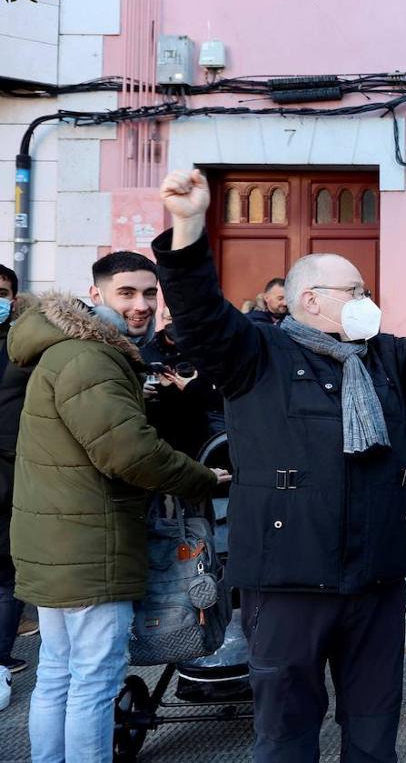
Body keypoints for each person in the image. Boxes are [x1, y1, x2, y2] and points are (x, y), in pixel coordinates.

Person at [152, 168, 406, 761]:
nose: (367, 302)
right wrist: (189, 224)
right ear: (310, 301)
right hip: (290, 580)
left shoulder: (381, 358)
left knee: (374, 730)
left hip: (374, 580)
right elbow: (199, 313)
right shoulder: (257, 354)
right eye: (354, 292)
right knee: (286, 733)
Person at [8, 250, 227, 763]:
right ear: (97, 295)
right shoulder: (91, 356)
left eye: (150, 293)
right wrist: (199, 476)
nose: (142, 304)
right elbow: (126, 451)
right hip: (91, 543)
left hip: (62, 539)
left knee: (59, 672)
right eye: (126, 293)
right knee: (94, 679)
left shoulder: (71, 349)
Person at [141, 307, 226, 458]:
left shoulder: (200, 349)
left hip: (194, 427)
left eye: (179, 319)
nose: (174, 324)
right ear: (162, 319)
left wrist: (191, 386)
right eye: (169, 319)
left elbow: (215, 396)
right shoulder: (147, 348)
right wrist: (143, 391)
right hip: (159, 427)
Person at [0, 264, 31, 678]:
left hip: (11, 480)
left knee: (7, 576)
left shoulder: (21, 350)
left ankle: (2, 657)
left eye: (3, 292)